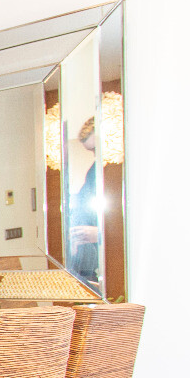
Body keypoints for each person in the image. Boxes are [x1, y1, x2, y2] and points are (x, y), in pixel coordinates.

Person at [69, 118, 101, 289]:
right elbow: (81, 206)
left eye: (96, 149)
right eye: (92, 151)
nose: (95, 155)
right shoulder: (94, 172)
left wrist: (100, 234)